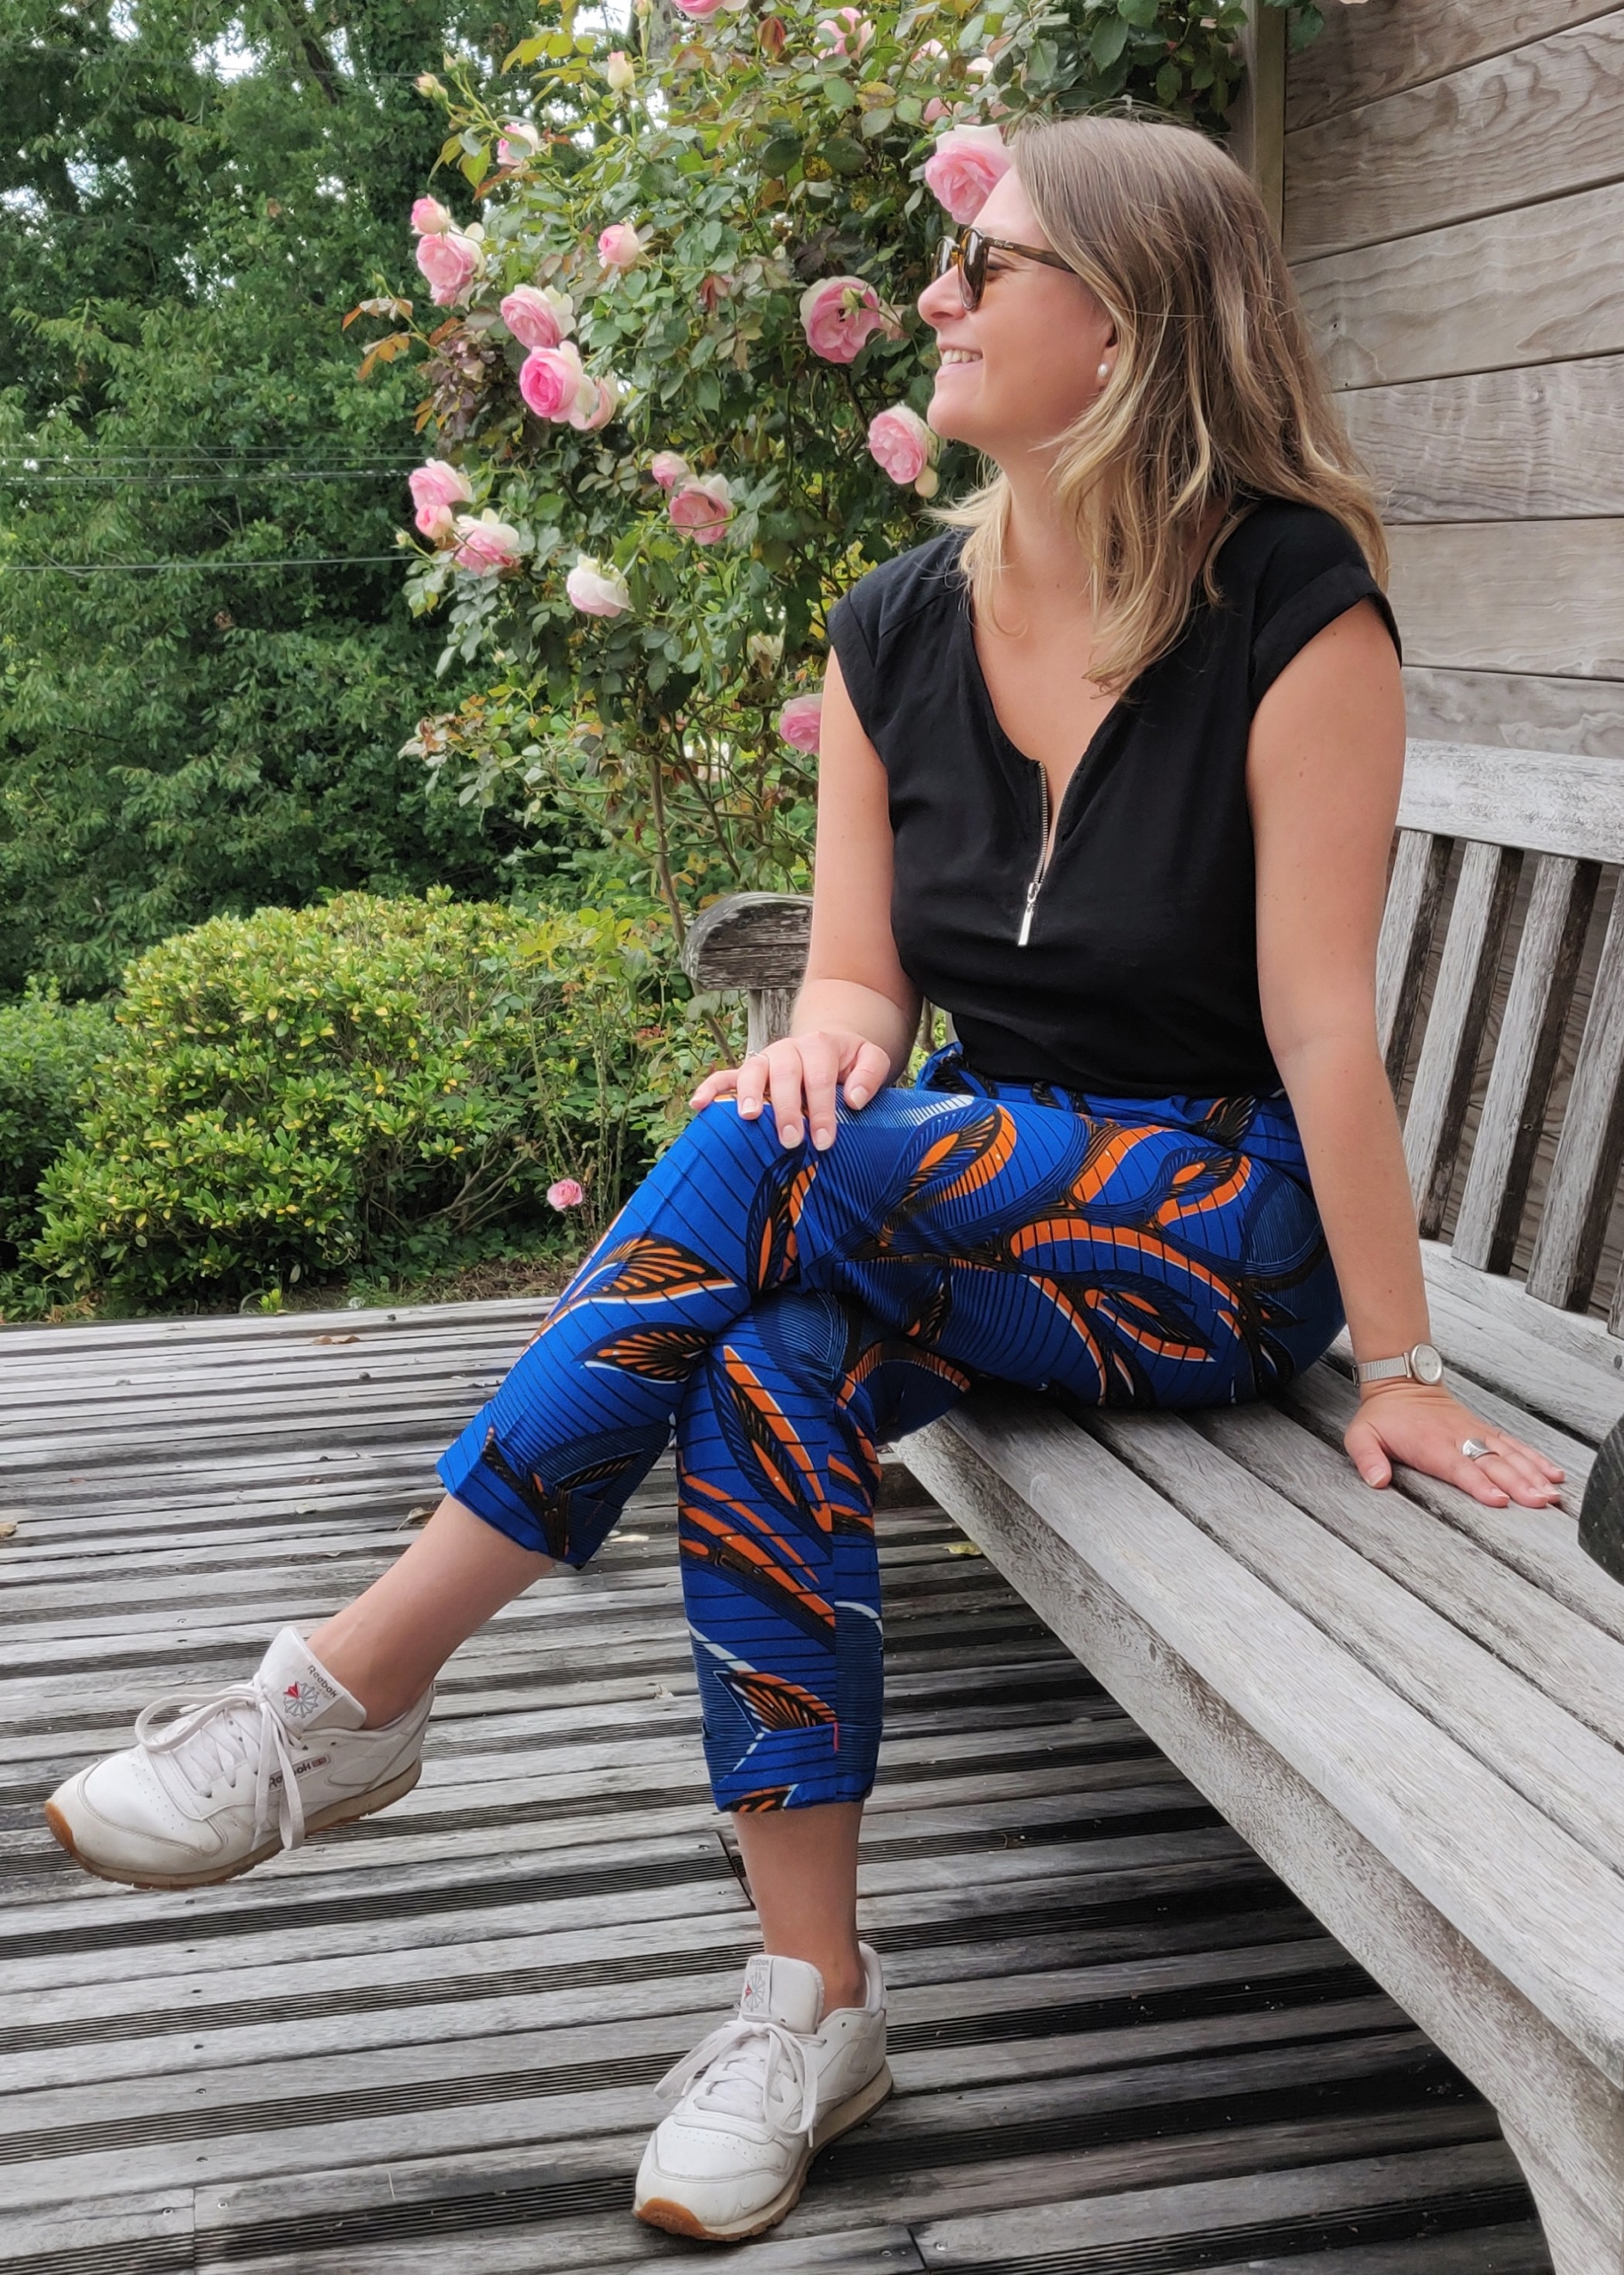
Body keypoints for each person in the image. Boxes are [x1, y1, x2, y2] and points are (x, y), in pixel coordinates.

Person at [43, 113, 1564, 2247]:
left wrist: (1394, 1363)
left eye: (985, 266)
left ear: (1126, 323)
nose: (934, 296)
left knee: (767, 1172)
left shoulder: (1289, 606)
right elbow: (857, 984)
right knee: (762, 1354)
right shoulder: (890, 633)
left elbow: (1320, 1021)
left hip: (1217, 1228)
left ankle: (356, 1683)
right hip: (976, 1210)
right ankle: (809, 1998)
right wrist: (812, 1054)